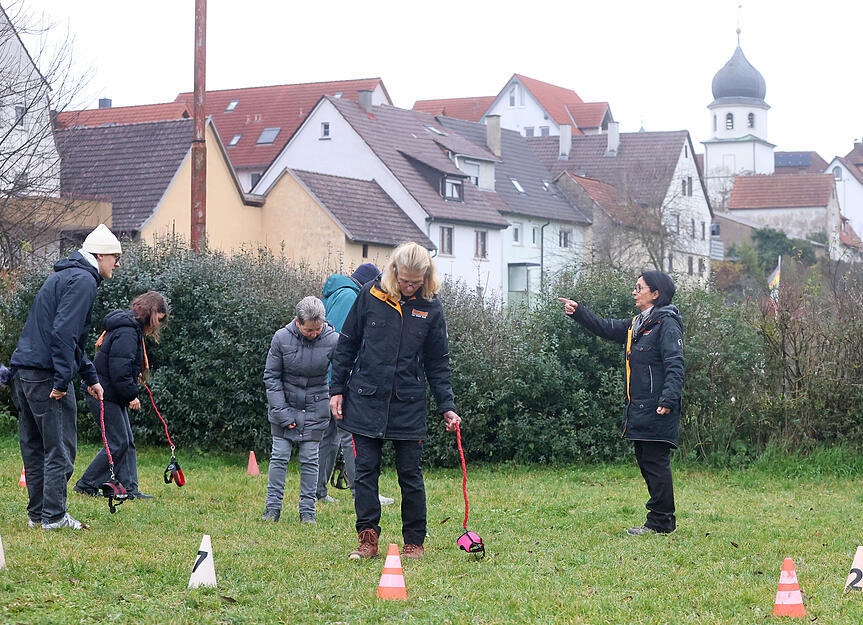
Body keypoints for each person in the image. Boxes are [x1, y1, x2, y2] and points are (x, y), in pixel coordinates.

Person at [330, 242, 461, 560]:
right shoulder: (370, 295)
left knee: (411, 475)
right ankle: (368, 539)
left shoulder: (431, 307)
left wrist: (447, 405)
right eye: (404, 280)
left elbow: (438, 361)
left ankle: (414, 542)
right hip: (365, 399)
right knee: (364, 472)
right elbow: (347, 343)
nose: (409, 286)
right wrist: (336, 389)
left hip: (408, 404)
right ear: (394, 272)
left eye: (416, 282)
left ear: (426, 278)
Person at [9, 224, 122, 530]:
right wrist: (61, 382)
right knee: (60, 448)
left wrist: (90, 376)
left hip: (24, 372)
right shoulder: (84, 280)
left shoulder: (64, 275)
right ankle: (55, 517)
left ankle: (38, 516)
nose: (117, 263)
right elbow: (63, 334)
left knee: (34, 448)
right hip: (46, 376)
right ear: (99, 255)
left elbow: (69, 338)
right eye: (115, 257)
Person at [558, 270, 684, 535]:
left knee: (655, 463)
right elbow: (605, 326)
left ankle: (660, 523)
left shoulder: (667, 324)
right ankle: (661, 521)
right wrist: (579, 311)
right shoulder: (638, 324)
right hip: (639, 407)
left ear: (656, 294)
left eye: (639, 288)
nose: (634, 292)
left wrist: (668, 399)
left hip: (658, 406)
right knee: (646, 461)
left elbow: (675, 364)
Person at [73, 291, 170, 501]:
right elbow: (119, 369)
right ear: (150, 312)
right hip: (102, 392)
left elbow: (122, 365)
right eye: (157, 320)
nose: (156, 326)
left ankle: (129, 488)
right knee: (117, 442)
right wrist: (131, 396)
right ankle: (86, 485)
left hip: (109, 392)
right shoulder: (127, 332)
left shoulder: (129, 328)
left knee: (127, 441)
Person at [316, 262, 394, 507]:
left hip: (325, 377)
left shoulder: (336, 294)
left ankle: (317, 492)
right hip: (339, 379)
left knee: (329, 437)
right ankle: (363, 493)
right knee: (351, 435)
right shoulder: (351, 297)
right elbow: (342, 342)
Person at [261, 296, 339, 524]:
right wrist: (283, 413)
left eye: (318, 329)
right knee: (280, 456)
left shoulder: (333, 339)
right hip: (284, 405)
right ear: (297, 322)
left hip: (317, 407)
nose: (314, 333)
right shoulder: (281, 338)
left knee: (310, 458)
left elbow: (345, 370)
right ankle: (272, 509)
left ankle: (307, 512)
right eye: (309, 330)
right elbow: (272, 377)